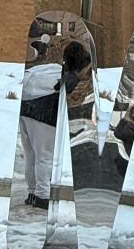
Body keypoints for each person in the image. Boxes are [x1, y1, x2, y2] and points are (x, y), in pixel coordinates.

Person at [19, 41, 92, 208]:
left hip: (24, 110)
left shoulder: (51, 67)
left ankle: (32, 193)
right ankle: (43, 197)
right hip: (42, 115)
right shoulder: (69, 77)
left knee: (31, 156)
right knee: (44, 157)